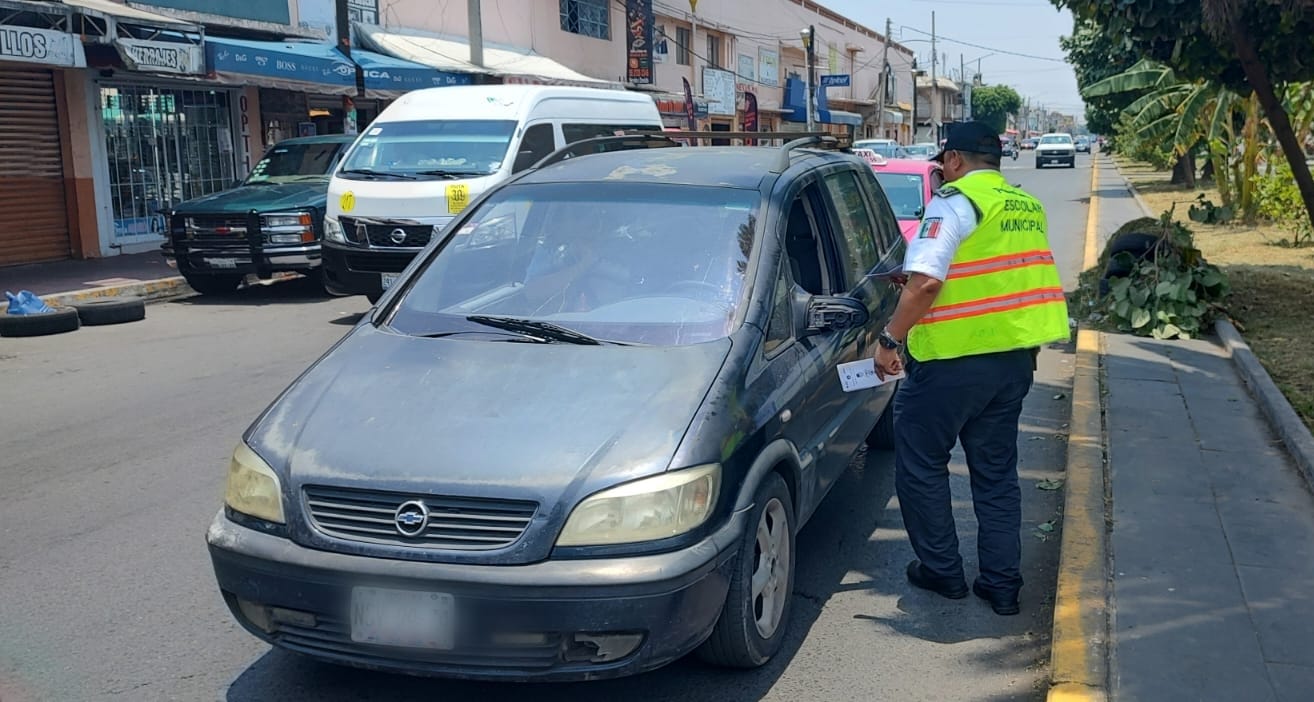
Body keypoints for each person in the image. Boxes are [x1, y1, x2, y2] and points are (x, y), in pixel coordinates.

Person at [872, 120, 1070, 616]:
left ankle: (943, 572)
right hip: (1012, 364)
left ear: (955, 159)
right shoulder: (1026, 205)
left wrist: (890, 338)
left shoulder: (954, 203)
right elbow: (995, 276)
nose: (941, 170)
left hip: (950, 364)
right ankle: (1002, 585)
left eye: (942, 162)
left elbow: (926, 286)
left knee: (921, 465)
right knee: (997, 474)